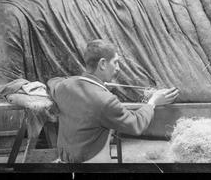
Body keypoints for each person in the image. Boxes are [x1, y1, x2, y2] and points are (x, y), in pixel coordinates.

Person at [47, 39, 179, 163]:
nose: (118, 68)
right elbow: (136, 124)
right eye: (115, 62)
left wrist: (89, 82)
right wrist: (153, 101)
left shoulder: (64, 86)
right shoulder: (105, 100)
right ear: (103, 64)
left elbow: (52, 81)